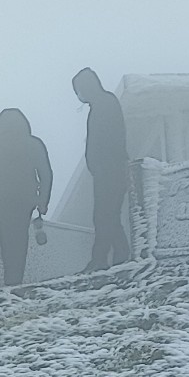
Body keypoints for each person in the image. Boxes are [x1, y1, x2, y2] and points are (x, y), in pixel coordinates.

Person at [0, 108, 54, 286]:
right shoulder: (33, 144)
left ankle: (10, 280)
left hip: (2, 203)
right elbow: (46, 174)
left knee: (7, 241)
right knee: (20, 240)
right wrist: (42, 202)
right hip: (25, 201)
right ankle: (15, 281)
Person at [72, 67, 133, 270]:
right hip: (106, 169)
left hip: (110, 169)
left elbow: (110, 139)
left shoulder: (104, 104)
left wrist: (102, 165)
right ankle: (119, 257)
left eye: (78, 90)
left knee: (104, 215)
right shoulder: (102, 103)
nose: (78, 96)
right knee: (109, 215)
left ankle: (102, 259)